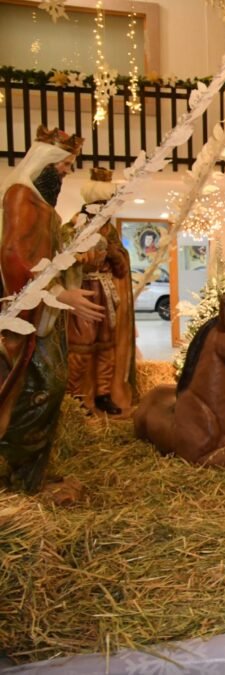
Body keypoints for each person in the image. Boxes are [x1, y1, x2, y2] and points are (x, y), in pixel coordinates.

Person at [1, 125, 104, 493]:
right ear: (46, 160)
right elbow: (16, 258)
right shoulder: (20, 198)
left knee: (50, 387)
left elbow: (48, 257)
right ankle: (21, 477)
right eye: (64, 164)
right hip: (26, 316)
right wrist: (60, 293)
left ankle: (33, 473)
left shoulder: (40, 204)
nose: (66, 171)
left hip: (44, 315)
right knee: (40, 388)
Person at [64, 167, 134, 416]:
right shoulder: (73, 226)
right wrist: (82, 258)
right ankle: (75, 398)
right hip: (83, 293)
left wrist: (114, 254)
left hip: (106, 294)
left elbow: (122, 267)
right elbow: (63, 261)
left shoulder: (110, 230)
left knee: (107, 346)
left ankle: (103, 394)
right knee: (81, 347)